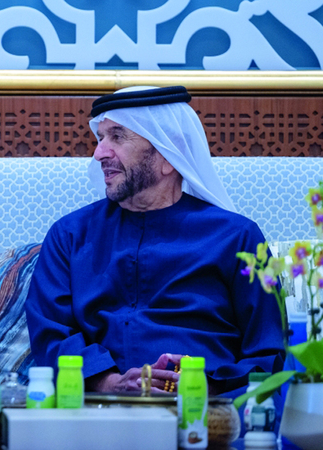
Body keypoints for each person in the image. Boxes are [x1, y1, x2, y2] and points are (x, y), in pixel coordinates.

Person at [24, 86, 285, 396]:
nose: (99, 153)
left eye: (117, 137)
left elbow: (268, 353)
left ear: (168, 157)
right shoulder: (69, 235)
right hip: (99, 408)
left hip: (209, 412)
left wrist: (204, 386)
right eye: (100, 138)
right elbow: (50, 333)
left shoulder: (238, 238)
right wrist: (110, 384)